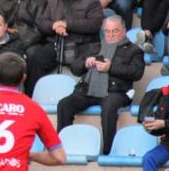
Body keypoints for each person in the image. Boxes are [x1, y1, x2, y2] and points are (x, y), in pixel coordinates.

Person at [57, 15, 144, 154]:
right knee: (64, 104)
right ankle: (59, 148)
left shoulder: (134, 50)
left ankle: (109, 151)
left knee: (109, 106)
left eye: (114, 31)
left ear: (124, 31)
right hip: (87, 90)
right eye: (107, 31)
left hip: (116, 92)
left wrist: (111, 67)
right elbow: (75, 67)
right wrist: (85, 63)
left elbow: (136, 73)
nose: (110, 35)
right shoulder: (94, 47)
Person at [24, 0, 103, 96]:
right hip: (55, 44)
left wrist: (67, 24)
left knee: (85, 65)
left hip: (82, 45)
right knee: (36, 56)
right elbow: (41, 23)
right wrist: (54, 26)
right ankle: (30, 98)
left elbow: (94, 24)